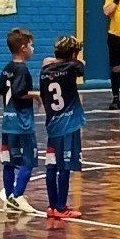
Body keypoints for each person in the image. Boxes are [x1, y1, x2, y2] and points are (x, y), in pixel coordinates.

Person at [0, 27, 42, 215]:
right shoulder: (22, 69)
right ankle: (18, 195)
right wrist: (37, 95)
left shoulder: (7, 68)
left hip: (7, 121)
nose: (33, 48)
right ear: (23, 48)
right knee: (28, 160)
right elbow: (19, 92)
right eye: (31, 45)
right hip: (22, 123)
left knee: (8, 161)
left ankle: (9, 196)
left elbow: (1, 90)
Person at [41, 36, 86, 220]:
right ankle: (61, 207)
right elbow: (81, 66)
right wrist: (74, 59)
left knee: (51, 165)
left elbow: (48, 61)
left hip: (52, 124)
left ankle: (52, 206)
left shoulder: (45, 70)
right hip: (68, 125)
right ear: (73, 54)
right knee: (64, 167)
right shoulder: (73, 68)